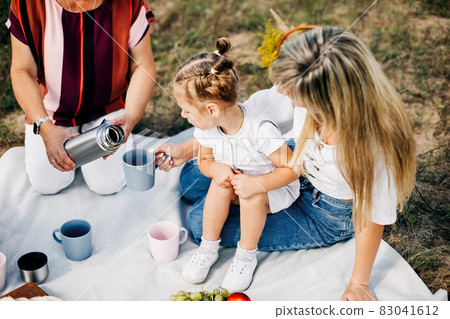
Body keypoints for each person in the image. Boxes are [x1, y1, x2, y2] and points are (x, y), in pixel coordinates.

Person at [154, 27, 416, 301]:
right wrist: (185, 150)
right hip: (296, 161)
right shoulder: (301, 89)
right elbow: (236, 119)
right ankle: (227, 194)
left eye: (292, 93)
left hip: (324, 212)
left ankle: (243, 243)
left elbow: (371, 217)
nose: (286, 95)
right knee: (189, 179)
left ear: (328, 100)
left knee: (198, 221)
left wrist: (359, 283)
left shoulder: (371, 150)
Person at [172, 38, 299, 292]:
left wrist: (256, 184)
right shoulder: (208, 127)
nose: (183, 116)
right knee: (218, 186)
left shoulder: (260, 129)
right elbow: (205, 161)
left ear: (211, 109)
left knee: (251, 196)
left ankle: (245, 256)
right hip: (237, 181)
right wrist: (216, 170)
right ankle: (208, 249)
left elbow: (293, 169)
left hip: (270, 186)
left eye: (186, 110)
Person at [7, 0, 156, 195]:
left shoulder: (129, 3)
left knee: (107, 184)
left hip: (108, 107)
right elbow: (22, 70)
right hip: (50, 110)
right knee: (47, 183)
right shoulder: (27, 4)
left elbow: (143, 65)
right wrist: (44, 125)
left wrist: (131, 116)